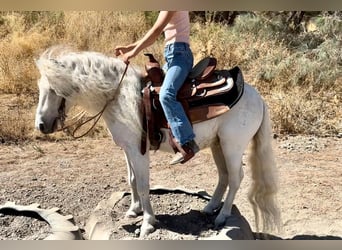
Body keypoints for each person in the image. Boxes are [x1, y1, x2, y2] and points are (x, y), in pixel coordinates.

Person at [114, 11, 199, 165]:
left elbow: (155, 32)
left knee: (166, 94)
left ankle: (187, 143)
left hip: (180, 56)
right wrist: (129, 47)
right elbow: (154, 31)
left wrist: (132, 53)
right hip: (173, 55)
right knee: (147, 86)